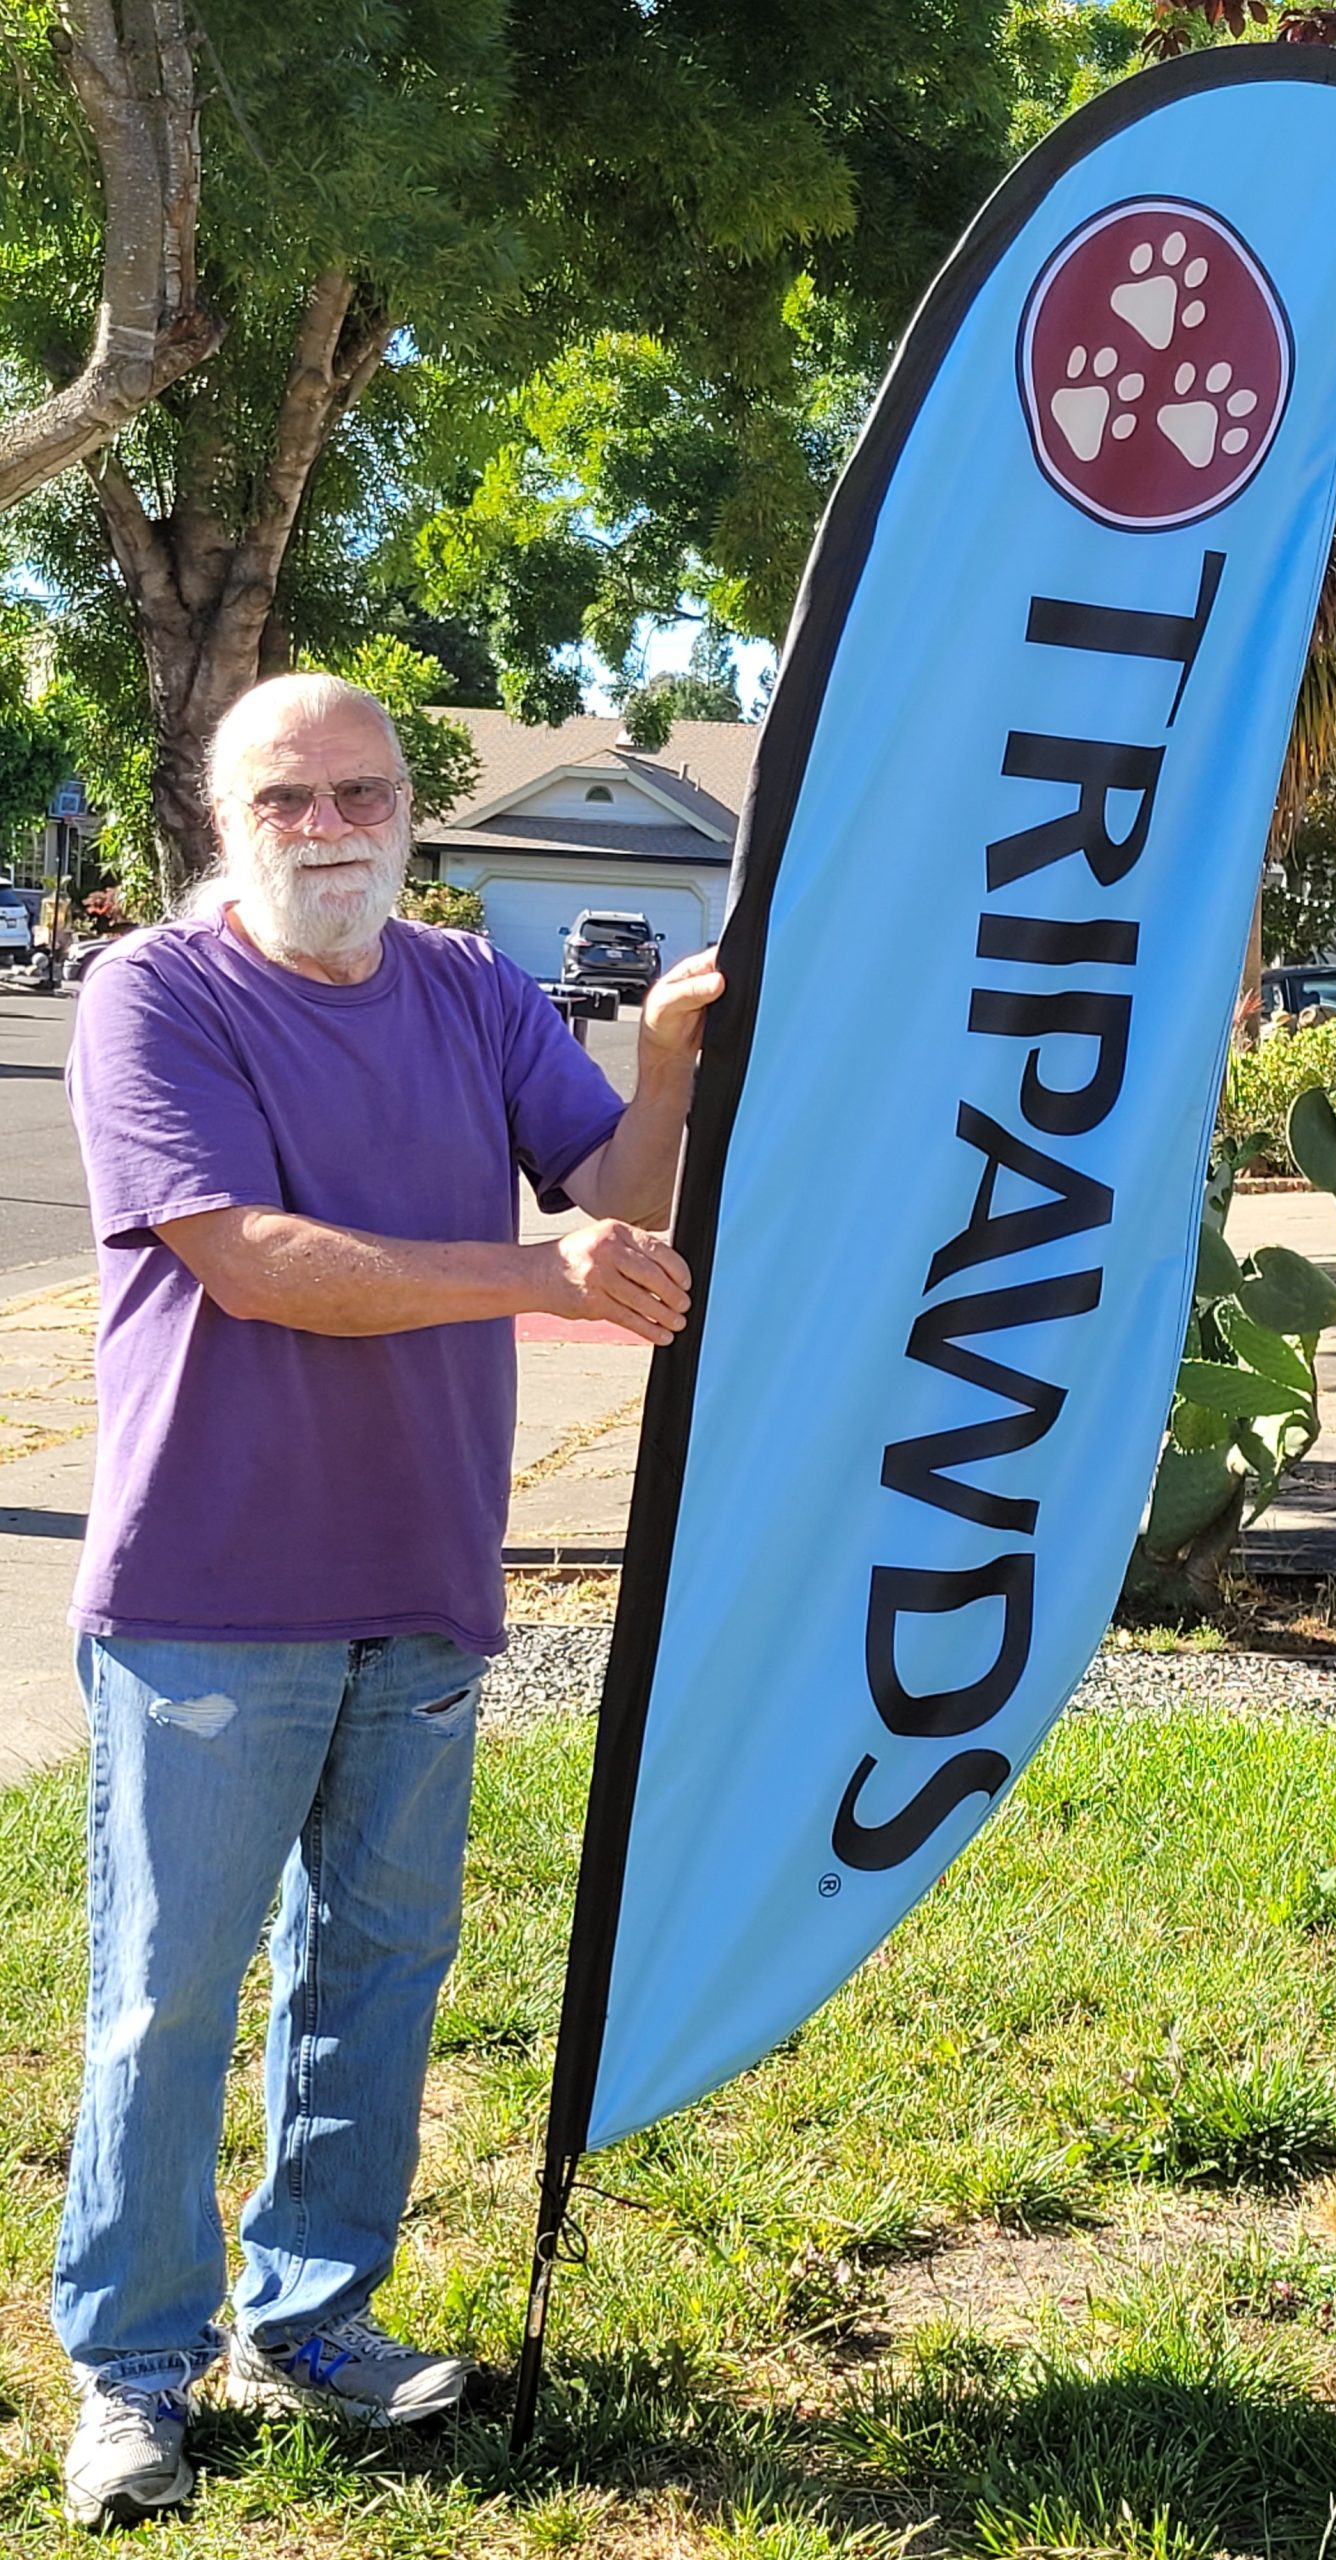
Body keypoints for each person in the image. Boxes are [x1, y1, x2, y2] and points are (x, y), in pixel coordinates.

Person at [55, 671, 724, 2528]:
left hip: (426, 1575)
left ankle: (313, 2317)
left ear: (412, 805)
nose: (328, 825)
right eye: (286, 798)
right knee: (165, 1999)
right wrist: (544, 1270)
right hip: (210, 1583)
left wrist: (660, 1068)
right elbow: (252, 1262)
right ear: (221, 814)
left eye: (360, 791)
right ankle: (129, 2372)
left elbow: (608, 1188)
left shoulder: (471, 989)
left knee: (375, 1973)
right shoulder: (154, 998)